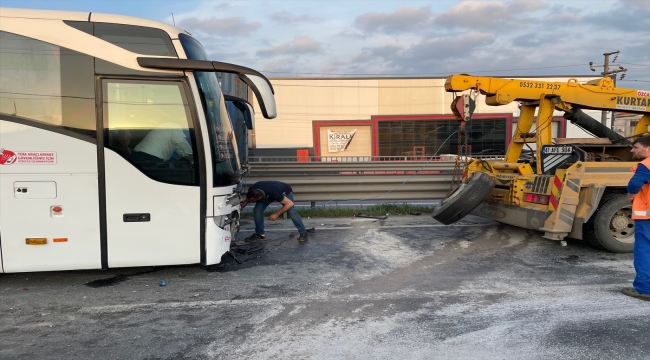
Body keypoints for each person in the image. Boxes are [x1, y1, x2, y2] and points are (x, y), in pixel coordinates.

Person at [623, 135, 650, 302]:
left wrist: (631, 195)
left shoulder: (646, 164)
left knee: (644, 250)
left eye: (636, 147)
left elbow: (634, 185)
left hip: (647, 216)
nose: (632, 150)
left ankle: (644, 289)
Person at [240, 181, 308, 242]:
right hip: (267, 191)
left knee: (291, 211)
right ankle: (260, 234)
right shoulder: (252, 189)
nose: (251, 201)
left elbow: (290, 204)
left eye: (252, 201)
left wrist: (276, 214)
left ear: (259, 198)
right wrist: (244, 204)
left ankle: (303, 233)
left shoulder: (274, 193)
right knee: (257, 210)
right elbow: (249, 197)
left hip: (283, 190)